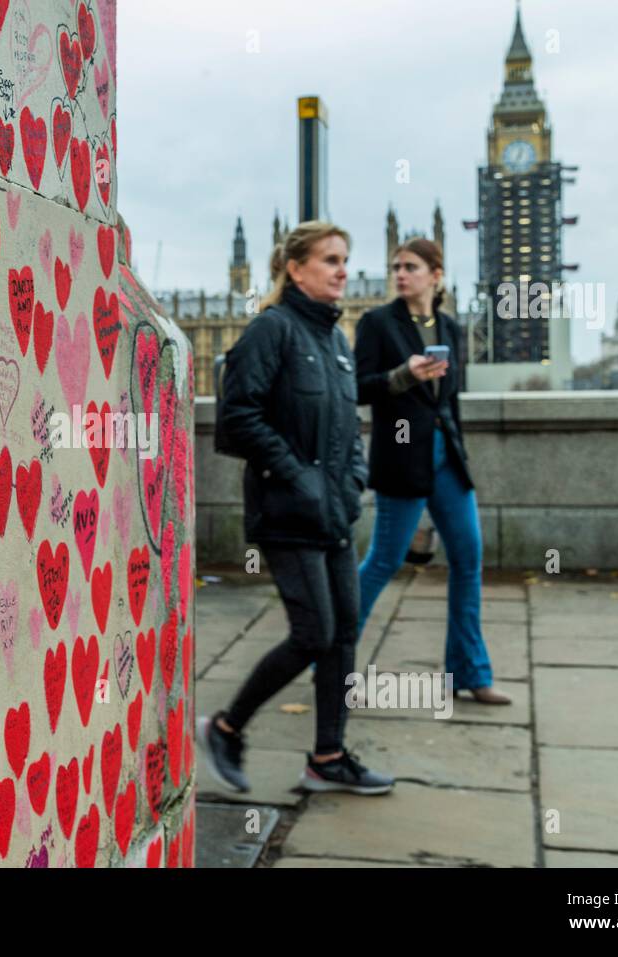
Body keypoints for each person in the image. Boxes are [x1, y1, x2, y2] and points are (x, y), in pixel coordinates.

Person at [197, 222, 395, 796]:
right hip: (287, 510)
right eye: (330, 260)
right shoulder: (271, 331)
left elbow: (347, 424)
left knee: (344, 634)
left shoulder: (335, 342)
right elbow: (238, 419)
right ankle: (226, 728)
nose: (342, 271)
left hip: (334, 510)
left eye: (346, 261)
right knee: (313, 633)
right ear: (295, 267)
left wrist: (352, 479)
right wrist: (299, 477)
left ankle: (328, 757)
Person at [353, 238, 510, 704]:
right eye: (396, 267)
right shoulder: (377, 323)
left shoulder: (450, 328)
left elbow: (451, 400)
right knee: (382, 562)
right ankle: (330, 657)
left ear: (435, 275)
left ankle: (470, 673)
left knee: (468, 560)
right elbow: (359, 389)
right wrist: (405, 375)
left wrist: (457, 448)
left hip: (447, 459)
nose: (401, 274)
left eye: (412, 267)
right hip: (402, 458)